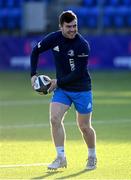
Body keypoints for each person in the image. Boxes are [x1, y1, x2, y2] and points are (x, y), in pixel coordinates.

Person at [30, 10, 97, 170]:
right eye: (69, 27)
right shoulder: (54, 38)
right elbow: (35, 51)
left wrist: (56, 82)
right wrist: (33, 75)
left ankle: (92, 156)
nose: (73, 29)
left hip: (81, 89)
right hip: (63, 89)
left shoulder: (82, 45)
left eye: (75, 26)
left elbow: (78, 73)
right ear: (61, 27)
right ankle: (61, 158)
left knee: (84, 127)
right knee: (54, 119)